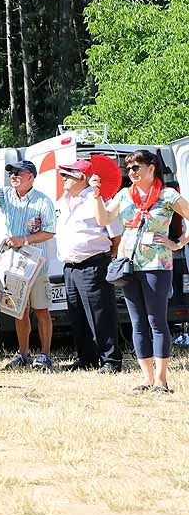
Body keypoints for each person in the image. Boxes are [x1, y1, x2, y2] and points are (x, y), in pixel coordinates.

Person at [92, 150, 189, 393]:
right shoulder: (125, 195)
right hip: (129, 262)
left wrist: (178, 243)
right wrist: (96, 196)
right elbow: (103, 219)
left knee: (156, 320)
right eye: (129, 168)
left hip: (157, 262)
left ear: (151, 168)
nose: (132, 172)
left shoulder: (167, 195)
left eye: (136, 167)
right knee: (137, 322)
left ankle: (161, 380)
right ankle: (146, 378)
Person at [0, 160, 57, 370]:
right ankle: (24, 354)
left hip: (36, 265)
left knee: (41, 310)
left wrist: (25, 240)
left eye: (19, 172)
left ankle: (45, 355)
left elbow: (50, 231)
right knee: (19, 311)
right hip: (14, 266)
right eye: (11, 173)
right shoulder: (7, 195)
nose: (13, 176)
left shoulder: (43, 201)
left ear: (31, 176)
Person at [54, 160, 123, 373]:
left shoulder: (98, 199)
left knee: (100, 314)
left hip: (92, 263)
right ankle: (87, 358)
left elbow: (116, 234)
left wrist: (109, 256)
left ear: (82, 178)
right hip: (70, 266)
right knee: (78, 315)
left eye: (67, 175)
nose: (63, 179)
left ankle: (110, 360)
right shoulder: (63, 201)